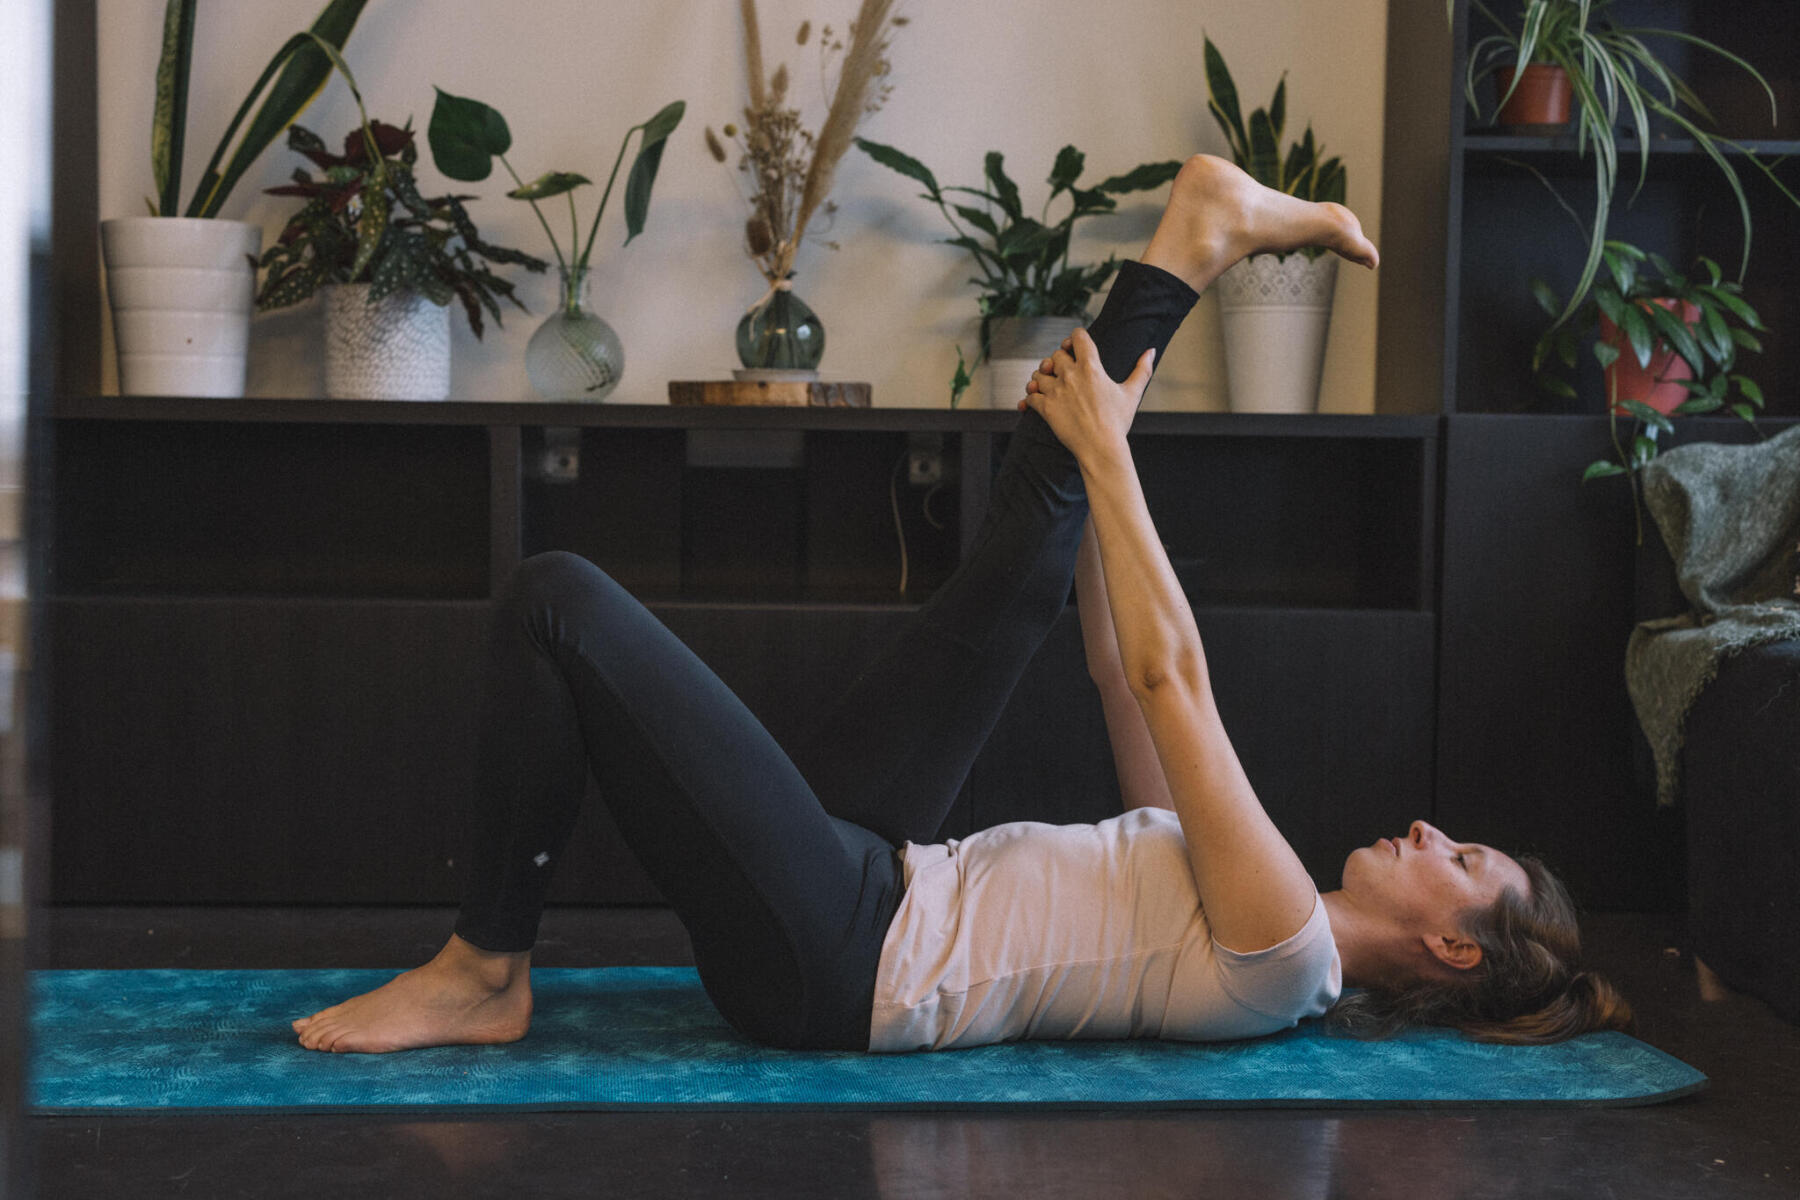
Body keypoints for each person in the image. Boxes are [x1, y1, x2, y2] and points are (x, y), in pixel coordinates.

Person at [292, 155, 1631, 1055]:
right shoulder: (1264, 907)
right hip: (881, 873)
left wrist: (1107, 456)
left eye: (1460, 860)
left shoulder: (1287, 956)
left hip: (835, 963)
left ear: (1453, 947)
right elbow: (1124, 670)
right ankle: (1192, 236)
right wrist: (1102, 459)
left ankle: (486, 968)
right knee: (1026, 557)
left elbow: (1178, 685)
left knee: (559, 600)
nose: (1428, 829)